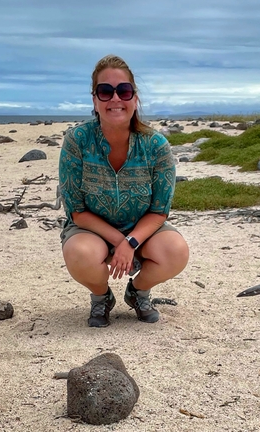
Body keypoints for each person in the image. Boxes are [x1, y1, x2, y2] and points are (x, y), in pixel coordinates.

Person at [59, 54, 189, 326]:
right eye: (105, 91)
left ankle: (138, 291)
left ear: (134, 98)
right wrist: (120, 242)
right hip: (91, 229)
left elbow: (158, 211)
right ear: (94, 100)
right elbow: (77, 211)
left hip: (142, 227)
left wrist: (131, 242)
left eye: (124, 90)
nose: (115, 99)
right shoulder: (77, 141)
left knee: (176, 251)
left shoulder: (156, 145)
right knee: (79, 254)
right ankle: (101, 297)